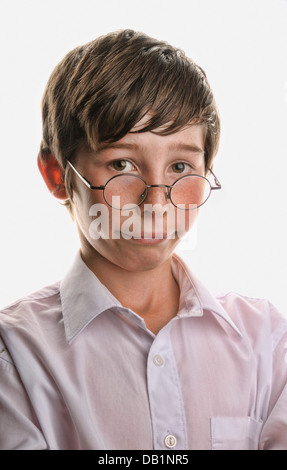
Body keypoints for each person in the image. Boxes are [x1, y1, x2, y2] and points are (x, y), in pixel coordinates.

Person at [0, 29, 286, 451]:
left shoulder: (266, 343)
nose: (155, 199)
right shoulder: (17, 356)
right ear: (57, 175)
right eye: (120, 163)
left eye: (179, 167)